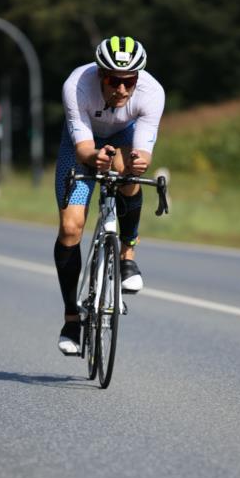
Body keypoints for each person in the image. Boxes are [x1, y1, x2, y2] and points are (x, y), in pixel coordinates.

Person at [54, 36, 165, 354]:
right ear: (100, 74)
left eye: (129, 82)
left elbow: (143, 149)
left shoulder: (152, 92)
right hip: (81, 146)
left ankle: (127, 256)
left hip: (123, 136)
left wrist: (139, 161)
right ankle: (72, 318)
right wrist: (93, 158)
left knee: (131, 172)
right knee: (71, 228)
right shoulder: (77, 85)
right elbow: (83, 147)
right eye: (114, 81)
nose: (122, 90)